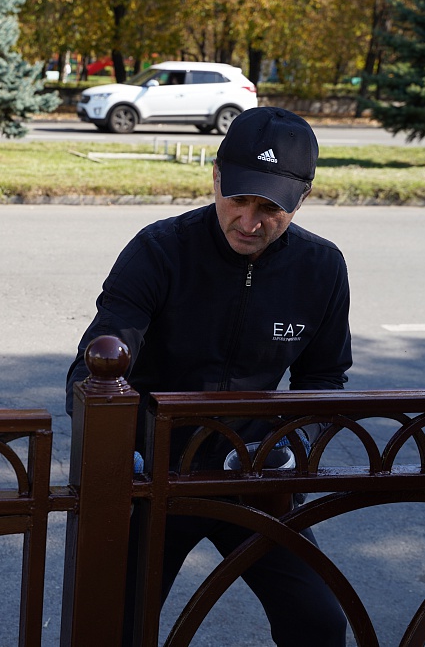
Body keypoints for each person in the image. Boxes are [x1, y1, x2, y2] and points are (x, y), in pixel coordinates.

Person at [65, 107, 350, 646]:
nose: (249, 221)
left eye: (270, 207)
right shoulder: (159, 250)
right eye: (237, 197)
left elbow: (325, 377)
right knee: (117, 626)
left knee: (319, 624)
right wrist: (120, 448)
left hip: (255, 472)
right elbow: (95, 364)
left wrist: (291, 445)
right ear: (216, 176)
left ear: (302, 198)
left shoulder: (322, 267)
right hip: (157, 473)